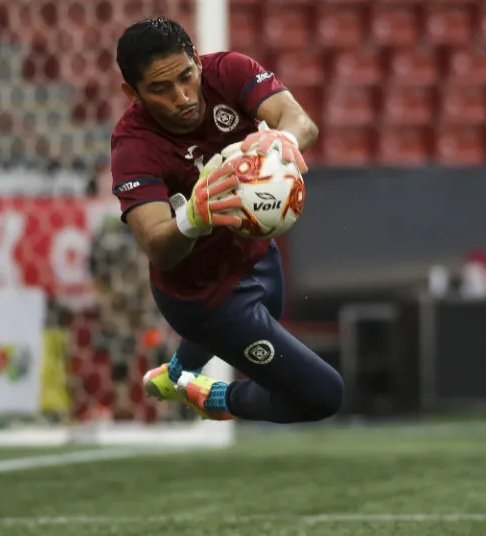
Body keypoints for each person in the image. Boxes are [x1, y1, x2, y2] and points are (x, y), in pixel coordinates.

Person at [110, 17, 343, 423]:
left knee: (271, 307)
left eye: (186, 76)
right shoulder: (132, 146)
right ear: (133, 93)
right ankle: (214, 397)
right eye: (160, 89)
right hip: (203, 296)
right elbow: (158, 247)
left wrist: (283, 139)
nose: (182, 97)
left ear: (197, 61)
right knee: (322, 395)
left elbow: (301, 122)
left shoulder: (230, 71)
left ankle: (176, 373)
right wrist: (191, 219)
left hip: (255, 254)